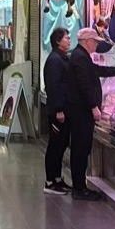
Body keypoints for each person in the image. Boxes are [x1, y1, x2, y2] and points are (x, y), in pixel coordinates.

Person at [66, 27, 115, 201]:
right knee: (80, 149)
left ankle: (80, 186)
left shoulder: (81, 56)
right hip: (81, 112)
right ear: (87, 41)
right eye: (95, 42)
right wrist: (94, 106)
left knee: (81, 149)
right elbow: (84, 85)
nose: (96, 45)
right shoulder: (79, 58)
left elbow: (97, 71)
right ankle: (79, 188)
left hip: (81, 111)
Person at [43, 28, 73, 194]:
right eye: (66, 38)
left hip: (65, 110)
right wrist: (59, 110)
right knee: (55, 146)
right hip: (57, 113)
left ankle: (58, 178)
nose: (69, 40)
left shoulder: (62, 58)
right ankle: (49, 181)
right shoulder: (55, 60)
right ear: (57, 41)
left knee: (61, 146)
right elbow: (53, 88)